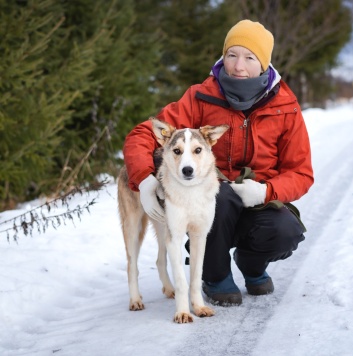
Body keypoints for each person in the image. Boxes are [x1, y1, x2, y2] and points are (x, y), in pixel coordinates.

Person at [122, 19, 314, 306]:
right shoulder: (202, 96)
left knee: (285, 230)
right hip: (215, 201)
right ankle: (215, 276)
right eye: (232, 55)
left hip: (256, 201)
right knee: (218, 195)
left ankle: (251, 265)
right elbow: (143, 133)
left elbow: (301, 172)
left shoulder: (285, 106)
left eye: (250, 57)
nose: (238, 66)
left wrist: (265, 192)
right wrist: (145, 180)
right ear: (223, 57)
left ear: (263, 64)